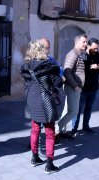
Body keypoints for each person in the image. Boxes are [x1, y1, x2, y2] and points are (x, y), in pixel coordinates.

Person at [20, 40, 62, 174]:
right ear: (42, 50)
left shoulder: (26, 66)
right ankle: (49, 165)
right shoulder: (48, 66)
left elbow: (28, 82)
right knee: (50, 133)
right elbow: (58, 83)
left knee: (35, 128)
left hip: (32, 99)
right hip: (46, 101)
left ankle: (34, 157)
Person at [71, 38, 99, 135]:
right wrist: (91, 67)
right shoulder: (82, 55)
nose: (96, 50)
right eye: (94, 48)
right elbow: (78, 69)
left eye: (97, 48)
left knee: (89, 108)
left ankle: (86, 126)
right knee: (78, 109)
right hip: (83, 88)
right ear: (88, 46)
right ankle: (74, 128)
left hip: (94, 88)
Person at [55, 34, 88, 140]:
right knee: (74, 111)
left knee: (67, 110)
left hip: (74, 87)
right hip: (73, 87)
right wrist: (75, 86)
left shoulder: (79, 54)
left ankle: (61, 131)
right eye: (83, 42)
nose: (85, 44)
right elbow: (66, 72)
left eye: (86, 42)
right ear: (76, 42)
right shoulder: (73, 54)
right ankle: (56, 129)